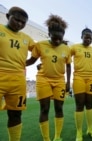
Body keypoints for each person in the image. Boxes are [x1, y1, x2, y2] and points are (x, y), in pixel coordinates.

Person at [26, 14, 71, 141]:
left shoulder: (66, 48)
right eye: (54, 38)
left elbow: (68, 66)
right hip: (43, 79)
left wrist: (68, 82)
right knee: (44, 109)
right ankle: (46, 139)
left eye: (60, 38)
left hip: (60, 81)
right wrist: (17, 63)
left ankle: (57, 136)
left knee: (59, 108)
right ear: (49, 33)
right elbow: (32, 61)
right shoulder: (40, 45)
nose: (57, 41)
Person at [0, 6, 35, 141]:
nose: (20, 24)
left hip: (18, 80)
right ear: (8, 17)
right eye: (17, 20)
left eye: (23, 22)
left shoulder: (26, 38)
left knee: (15, 115)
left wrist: (28, 62)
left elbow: (39, 51)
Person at [70, 27, 92, 141]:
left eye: (90, 38)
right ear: (82, 36)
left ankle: (90, 129)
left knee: (90, 104)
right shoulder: (74, 47)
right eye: (86, 37)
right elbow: (65, 56)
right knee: (80, 104)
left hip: (91, 78)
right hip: (79, 78)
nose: (88, 39)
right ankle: (79, 132)